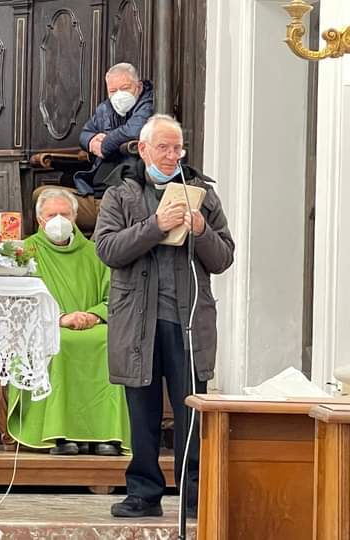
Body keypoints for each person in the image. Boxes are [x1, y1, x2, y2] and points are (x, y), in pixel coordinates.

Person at [94, 114, 234, 518]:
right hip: (138, 321)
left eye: (178, 148)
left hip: (187, 321)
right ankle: (143, 493)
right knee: (143, 412)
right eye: (164, 148)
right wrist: (156, 225)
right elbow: (107, 249)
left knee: (191, 411)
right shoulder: (120, 194)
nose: (173, 156)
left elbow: (224, 258)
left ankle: (195, 495)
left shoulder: (202, 193)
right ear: (143, 149)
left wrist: (202, 230)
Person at [7, 189, 131, 456]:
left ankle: (106, 435)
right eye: (52, 214)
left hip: (93, 325)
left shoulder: (96, 253)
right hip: (46, 327)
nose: (59, 220)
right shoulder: (25, 252)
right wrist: (60, 319)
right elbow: (19, 302)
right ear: (40, 220)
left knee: (111, 342)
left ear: (75, 217)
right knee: (59, 344)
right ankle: (59, 435)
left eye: (65, 214)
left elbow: (115, 296)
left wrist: (94, 315)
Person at [40, 62, 153, 233]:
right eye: (113, 91)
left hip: (121, 191)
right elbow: (84, 134)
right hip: (96, 187)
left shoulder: (149, 103)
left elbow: (134, 131)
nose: (119, 95)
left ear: (138, 86)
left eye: (125, 88)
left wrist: (105, 145)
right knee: (42, 197)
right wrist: (92, 142)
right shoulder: (106, 108)